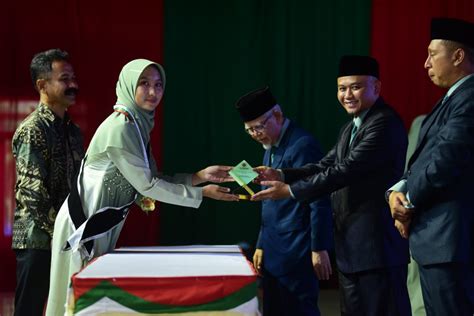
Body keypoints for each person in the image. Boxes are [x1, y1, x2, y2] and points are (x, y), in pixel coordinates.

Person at [45, 59, 239, 316]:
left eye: (158, 85)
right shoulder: (121, 127)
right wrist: (201, 193)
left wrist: (198, 176)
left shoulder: (137, 125)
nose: (153, 92)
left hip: (102, 223)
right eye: (144, 84)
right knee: (77, 301)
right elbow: (147, 186)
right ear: (128, 85)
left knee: (89, 300)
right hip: (84, 226)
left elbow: (153, 177)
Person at [252, 56, 411, 315]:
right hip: (351, 250)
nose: (347, 95)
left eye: (355, 87)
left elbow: (343, 171)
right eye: (341, 88)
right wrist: (281, 174)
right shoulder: (350, 128)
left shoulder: (384, 122)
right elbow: (323, 165)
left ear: (376, 88)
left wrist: (291, 191)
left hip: (377, 250)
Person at [388, 17, 474, 316]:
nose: (426, 63)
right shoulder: (450, 99)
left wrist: (408, 202)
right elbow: (423, 158)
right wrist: (397, 191)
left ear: (458, 56)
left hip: (450, 238)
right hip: (435, 239)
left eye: (432, 54)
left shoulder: (469, 97)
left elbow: (445, 160)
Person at [235, 87, 333, 316]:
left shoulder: (301, 144)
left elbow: (318, 196)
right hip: (274, 246)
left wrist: (319, 247)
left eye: (259, 127)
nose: (256, 134)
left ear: (277, 115)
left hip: (297, 248)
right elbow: (269, 200)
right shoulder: (270, 145)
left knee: (298, 309)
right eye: (249, 130)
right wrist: (261, 244)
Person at [11, 48, 84, 316]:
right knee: (29, 310)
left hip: (67, 238)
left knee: (66, 308)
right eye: (65, 79)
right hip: (35, 239)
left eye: (73, 78)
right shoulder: (32, 130)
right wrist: (64, 234)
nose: (73, 84)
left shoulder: (73, 131)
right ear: (43, 85)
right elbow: (32, 193)